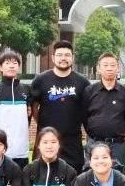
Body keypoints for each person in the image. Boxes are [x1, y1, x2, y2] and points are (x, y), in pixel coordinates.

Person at [31, 40, 91, 168]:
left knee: (74, 176)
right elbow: (34, 107)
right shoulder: (40, 80)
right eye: (59, 55)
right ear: (53, 57)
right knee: (43, 175)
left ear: (72, 57)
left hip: (72, 142)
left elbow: (87, 111)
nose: (63, 58)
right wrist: (42, 122)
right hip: (46, 140)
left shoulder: (83, 82)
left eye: (67, 55)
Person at [0, 50, 31, 168]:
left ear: (19, 66)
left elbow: (28, 116)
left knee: (19, 178)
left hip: (20, 148)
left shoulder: (26, 90)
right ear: (0, 67)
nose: (11, 66)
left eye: (15, 63)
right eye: (7, 63)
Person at [83, 53, 125, 170]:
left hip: (117, 145)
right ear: (99, 68)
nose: (109, 68)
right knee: (92, 178)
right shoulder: (89, 91)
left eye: (112, 65)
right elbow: (84, 117)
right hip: (94, 143)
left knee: (119, 177)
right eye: (105, 65)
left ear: (118, 68)